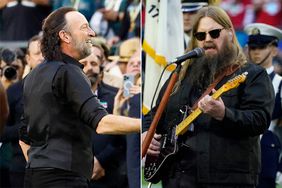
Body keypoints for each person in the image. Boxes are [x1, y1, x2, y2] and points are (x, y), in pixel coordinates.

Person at [143, 6, 275, 187]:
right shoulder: (181, 74)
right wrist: (146, 133)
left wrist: (224, 114)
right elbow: (155, 114)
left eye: (214, 33)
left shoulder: (253, 74)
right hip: (177, 178)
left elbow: (260, 120)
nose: (207, 40)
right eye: (200, 36)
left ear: (229, 33)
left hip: (226, 181)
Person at [19, 7, 140, 188]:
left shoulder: (32, 76)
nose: (91, 33)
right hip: (65, 178)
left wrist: (42, 164)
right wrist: (146, 123)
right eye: (84, 27)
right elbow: (101, 123)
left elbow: (23, 137)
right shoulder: (69, 71)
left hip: (35, 175)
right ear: (65, 36)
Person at [0, 34, 43, 188]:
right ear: (28, 59)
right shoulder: (13, 91)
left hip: (54, 167)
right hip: (20, 167)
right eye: (37, 53)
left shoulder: (63, 89)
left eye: (45, 52)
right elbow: (2, 131)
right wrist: (25, 128)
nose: (42, 57)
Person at [244, 23, 282, 188]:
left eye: (261, 47)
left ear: (274, 50)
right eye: (252, 47)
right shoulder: (239, 82)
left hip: (267, 153)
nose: (256, 52)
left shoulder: (281, 84)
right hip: (239, 152)